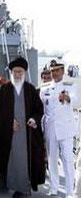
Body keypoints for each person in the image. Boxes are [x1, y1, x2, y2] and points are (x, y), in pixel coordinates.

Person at [0, 57, 45, 198]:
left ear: (24, 72)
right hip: (9, 134)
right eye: (15, 72)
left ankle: (24, 189)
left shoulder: (30, 90)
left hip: (26, 135)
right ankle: (11, 187)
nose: (17, 75)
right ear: (11, 73)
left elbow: (39, 110)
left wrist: (33, 119)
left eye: (20, 72)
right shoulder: (4, 90)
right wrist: (8, 123)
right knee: (11, 161)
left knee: (25, 161)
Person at [40, 59, 78, 197]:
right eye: (53, 71)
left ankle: (69, 192)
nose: (55, 73)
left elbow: (77, 101)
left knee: (67, 159)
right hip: (50, 129)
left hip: (66, 128)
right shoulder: (45, 88)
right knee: (51, 158)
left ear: (62, 71)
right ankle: (54, 188)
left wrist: (68, 98)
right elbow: (42, 108)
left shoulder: (70, 85)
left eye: (57, 70)